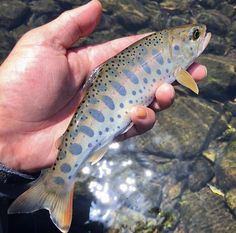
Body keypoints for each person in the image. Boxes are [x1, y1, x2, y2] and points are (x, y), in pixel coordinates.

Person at [0, 0, 207, 177]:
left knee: (147, 109)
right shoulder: (178, 69)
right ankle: (56, 185)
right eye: (194, 35)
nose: (200, 34)